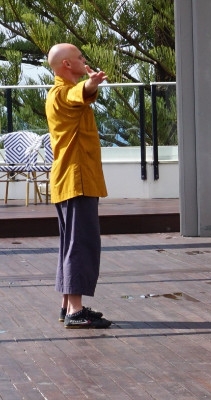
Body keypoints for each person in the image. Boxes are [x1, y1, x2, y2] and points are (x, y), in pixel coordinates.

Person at [45, 43, 112, 329]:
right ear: (67, 65)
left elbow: (81, 96)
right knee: (81, 244)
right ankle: (75, 310)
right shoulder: (61, 93)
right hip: (77, 180)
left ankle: (67, 305)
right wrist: (91, 83)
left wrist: (89, 86)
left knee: (70, 244)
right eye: (80, 57)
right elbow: (78, 94)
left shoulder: (60, 94)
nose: (85, 60)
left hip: (72, 180)